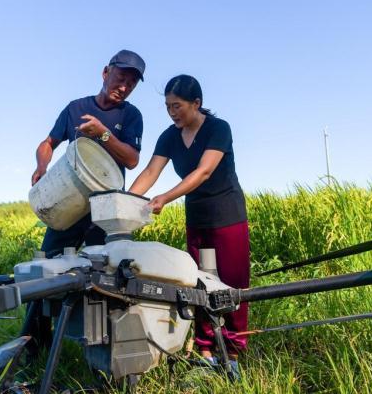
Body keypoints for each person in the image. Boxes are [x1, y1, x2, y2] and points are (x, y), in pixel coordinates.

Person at [128, 74, 250, 365]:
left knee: (232, 282)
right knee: (199, 283)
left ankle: (233, 350)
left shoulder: (218, 129)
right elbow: (149, 173)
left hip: (227, 215)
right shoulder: (170, 136)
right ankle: (206, 348)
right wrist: (125, 201)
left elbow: (203, 172)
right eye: (168, 107)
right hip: (197, 218)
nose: (172, 113)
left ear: (197, 103)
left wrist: (164, 198)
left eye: (178, 106)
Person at [31, 49, 146, 257]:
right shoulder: (75, 108)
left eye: (131, 84)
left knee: (107, 270)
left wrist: (103, 133)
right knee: (50, 262)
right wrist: (41, 166)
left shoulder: (131, 115)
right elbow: (48, 143)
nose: (123, 87)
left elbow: (132, 160)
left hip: (106, 211)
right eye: (120, 78)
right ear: (105, 73)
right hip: (68, 200)